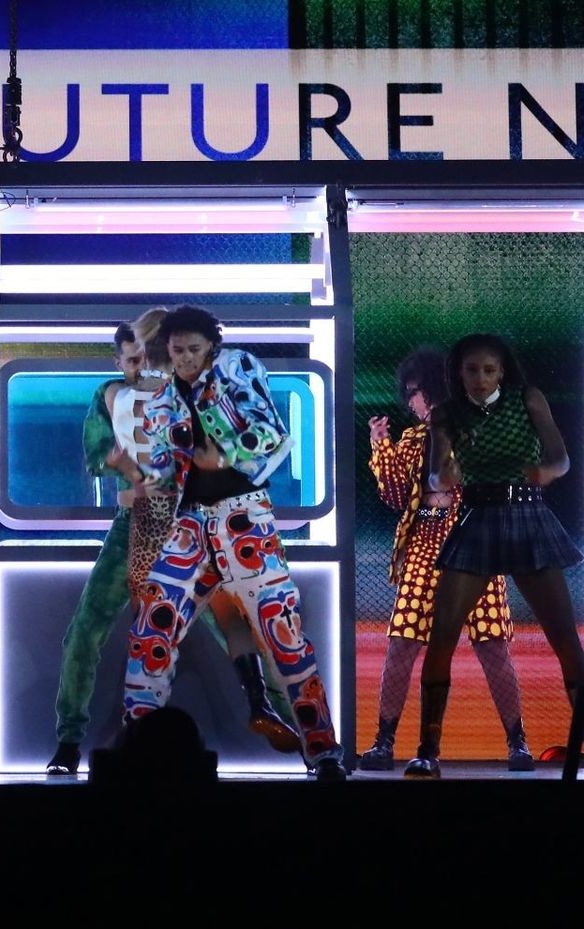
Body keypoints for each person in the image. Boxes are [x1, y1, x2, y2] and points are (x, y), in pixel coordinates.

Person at [48, 313, 300, 774]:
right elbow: (98, 453)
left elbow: (248, 441)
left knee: (242, 625)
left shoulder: (195, 389)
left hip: (194, 520)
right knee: (87, 629)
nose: (142, 366)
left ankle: (297, 731)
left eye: (150, 356)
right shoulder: (111, 394)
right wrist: (124, 469)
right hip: (135, 523)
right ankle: (69, 743)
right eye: (132, 359)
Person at [122, 305, 348, 780]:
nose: (185, 358)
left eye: (194, 349)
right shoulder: (162, 399)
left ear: (212, 347)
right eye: (178, 350)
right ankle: (136, 748)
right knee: (151, 627)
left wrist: (224, 454)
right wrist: (141, 475)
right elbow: (164, 467)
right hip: (190, 523)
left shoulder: (236, 368)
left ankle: (323, 750)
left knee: (283, 635)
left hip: (244, 520)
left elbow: (271, 432)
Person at [406, 333, 583, 778]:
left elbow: (562, 459)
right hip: (477, 518)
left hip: (528, 518)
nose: (480, 379)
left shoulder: (528, 399)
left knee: (565, 639)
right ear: (459, 372)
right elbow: (436, 476)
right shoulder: (447, 413)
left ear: (502, 371)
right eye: (472, 370)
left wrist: (546, 471)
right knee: (442, 636)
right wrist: (445, 475)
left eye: (489, 370)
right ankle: (427, 751)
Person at [360, 347, 529, 771]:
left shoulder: (476, 430)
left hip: (474, 544)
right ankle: (384, 741)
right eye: (409, 395)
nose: (411, 402)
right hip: (427, 546)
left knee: (491, 644)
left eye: (414, 393)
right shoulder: (414, 439)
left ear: (430, 390)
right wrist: (380, 446)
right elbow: (394, 496)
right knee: (403, 642)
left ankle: (518, 743)